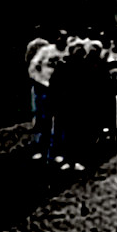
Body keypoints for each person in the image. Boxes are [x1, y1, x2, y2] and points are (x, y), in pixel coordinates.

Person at [28, 30, 67, 162]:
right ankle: (41, 150)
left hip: (62, 90)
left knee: (60, 122)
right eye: (59, 37)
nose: (61, 40)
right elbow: (33, 67)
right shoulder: (45, 51)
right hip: (45, 88)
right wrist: (41, 82)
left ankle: (57, 151)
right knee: (44, 120)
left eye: (64, 38)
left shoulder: (68, 52)